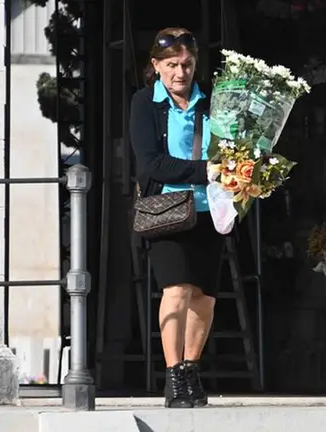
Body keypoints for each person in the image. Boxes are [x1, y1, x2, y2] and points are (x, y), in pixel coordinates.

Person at [129, 27, 225, 408]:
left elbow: (228, 148)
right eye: (171, 65)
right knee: (177, 289)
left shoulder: (210, 101)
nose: (180, 73)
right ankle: (172, 377)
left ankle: (190, 371)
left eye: (186, 64)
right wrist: (206, 171)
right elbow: (152, 163)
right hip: (166, 211)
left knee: (204, 297)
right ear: (156, 65)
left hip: (208, 210)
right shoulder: (144, 103)